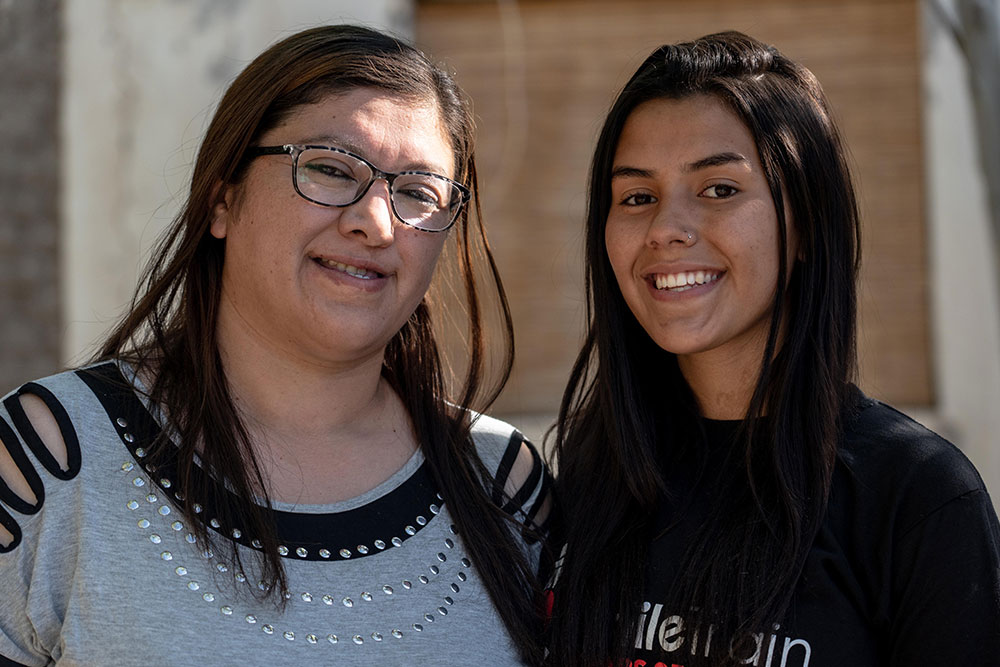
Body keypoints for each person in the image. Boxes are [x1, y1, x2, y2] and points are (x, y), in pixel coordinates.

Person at [0, 25, 552, 666]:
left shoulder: (502, 482)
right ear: (222, 200)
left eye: (417, 193)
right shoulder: (49, 460)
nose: (374, 222)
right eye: (327, 167)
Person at [546, 31, 1000, 666]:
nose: (666, 230)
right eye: (637, 197)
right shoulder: (592, 474)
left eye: (720, 189)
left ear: (808, 224)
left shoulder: (917, 497)